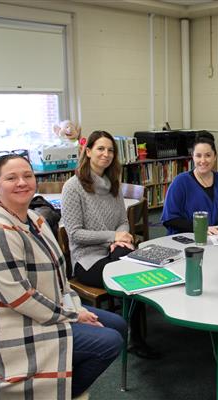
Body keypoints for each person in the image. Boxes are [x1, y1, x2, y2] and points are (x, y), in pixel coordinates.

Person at [0, 153, 125, 399]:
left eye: (27, 176)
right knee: (109, 342)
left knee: (118, 325)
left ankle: (58, 383)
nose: (21, 182)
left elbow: (59, 278)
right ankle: (56, 392)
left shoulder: (34, 218)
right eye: (11, 178)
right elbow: (20, 298)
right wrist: (73, 315)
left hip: (41, 310)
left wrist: (74, 308)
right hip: (12, 328)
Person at [61, 130, 158, 359]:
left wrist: (121, 237)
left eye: (110, 150)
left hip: (114, 251)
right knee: (130, 271)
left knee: (132, 266)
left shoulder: (113, 185)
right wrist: (112, 238)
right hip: (87, 260)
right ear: (88, 151)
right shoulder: (73, 187)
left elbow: (123, 221)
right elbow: (74, 235)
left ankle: (134, 333)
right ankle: (134, 337)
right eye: (100, 149)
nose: (106, 154)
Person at [161, 131, 218, 235]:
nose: (203, 160)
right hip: (191, 239)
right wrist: (201, 228)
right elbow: (170, 219)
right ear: (192, 157)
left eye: (208, 155)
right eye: (198, 156)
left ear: (215, 156)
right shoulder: (180, 182)